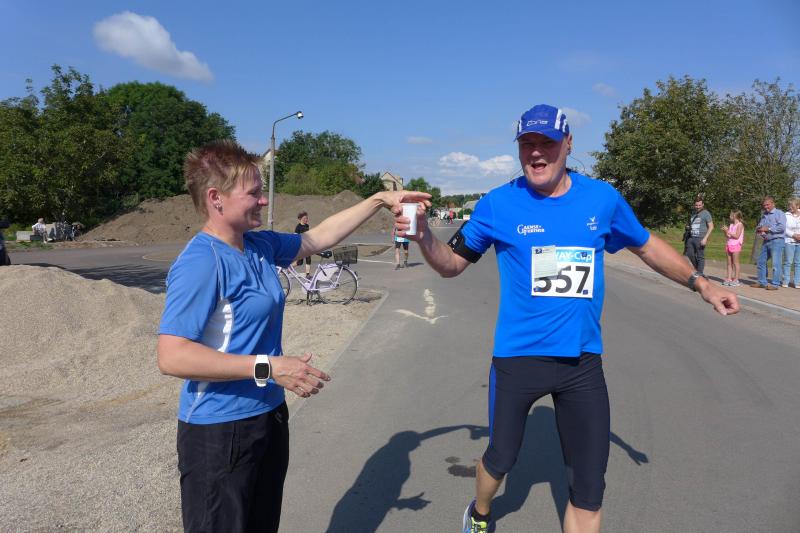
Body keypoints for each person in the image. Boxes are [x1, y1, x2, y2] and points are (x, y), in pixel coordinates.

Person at [394, 104, 739, 533]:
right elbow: (451, 264)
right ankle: (480, 513)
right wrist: (424, 236)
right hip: (518, 359)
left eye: (548, 143)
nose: (537, 153)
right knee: (500, 459)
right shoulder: (498, 204)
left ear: (568, 144)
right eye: (527, 144)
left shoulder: (602, 199)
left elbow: (647, 246)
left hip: (581, 363)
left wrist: (702, 284)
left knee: (589, 488)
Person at [157, 140, 429, 533]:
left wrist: (378, 200)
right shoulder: (201, 262)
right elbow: (172, 356)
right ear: (216, 198)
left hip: (268, 416)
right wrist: (268, 368)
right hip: (219, 432)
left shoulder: (260, 245)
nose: (263, 200)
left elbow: (318, 238)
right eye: (253, 193)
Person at [754, 196, 786, 290]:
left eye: (767, 205)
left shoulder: (779, 213)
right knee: (760, 261)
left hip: (777, 241)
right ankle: (762, 282)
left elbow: (782, 227)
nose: (766, 207)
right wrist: (759, 229)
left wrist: (768, 229)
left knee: (776, 263)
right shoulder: (764, 214)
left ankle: (775, 284)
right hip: (766, 241)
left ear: (773, 203)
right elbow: (761, 225)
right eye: (764, 205)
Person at [683, 196, 713, 274]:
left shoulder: (706, 213)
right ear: (694, 205)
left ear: (703, 205)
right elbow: (691, 223)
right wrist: (688, 227)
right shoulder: (693, 212)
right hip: (691, 237)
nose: (698, 207)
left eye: (699, 205)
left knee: (700, 256)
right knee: (689, 254)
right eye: (696, 205)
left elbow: (711, 226)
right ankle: (697, 269)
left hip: (700, 237)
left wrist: (705, 238)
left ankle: (700, 273)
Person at [721, 210, 745, 286]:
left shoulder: (740, 225)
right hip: (729, 244)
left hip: (736, 245)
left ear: (735, 216)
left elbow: (737, 236)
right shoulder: (731, 225)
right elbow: (728, 236)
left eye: (731, 215)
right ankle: (729, 278)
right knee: (729, 263)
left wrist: (728, 231)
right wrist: (725, 231)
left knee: (735, 263)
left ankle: (736, 280)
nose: (729, 216)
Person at [782, 197, 800, 288]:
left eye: (792, 206)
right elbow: (784, 228)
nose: (790, 207)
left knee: (798, 263)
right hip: (789, 241)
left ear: (798, 206)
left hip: (799, 242)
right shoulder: (786, 215)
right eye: (789, 205)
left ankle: (797, 282)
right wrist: (793, 235)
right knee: (788, 262)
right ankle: (786, 280)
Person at [294, 211, 311, 278]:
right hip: (301, 245)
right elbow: (295, 236)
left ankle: (307, 274)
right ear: (300, 219)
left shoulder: (307, 226)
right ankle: (288, 268)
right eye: (304, 218)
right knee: (300, 262)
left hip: (307, 245)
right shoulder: (298, 227)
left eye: (307, 218)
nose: (306, 220)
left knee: (308, 259)